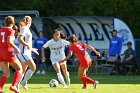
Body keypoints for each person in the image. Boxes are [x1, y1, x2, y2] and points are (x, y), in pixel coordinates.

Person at [0, 16, 22, 93]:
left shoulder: (1, 30)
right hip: (8, 52)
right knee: (19, 69)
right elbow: (9, 41)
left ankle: (0, 88)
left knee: (6, 73)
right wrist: (16, 48)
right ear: (12, 23)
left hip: (0, 53)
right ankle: (13, 86)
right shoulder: (11, 31)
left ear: (4, 23)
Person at [17, 16, 39, 90]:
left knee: (22, 70)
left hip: (26, 53)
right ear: (29, 21)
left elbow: (27, 43)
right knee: (33, 67)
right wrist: (27, 45)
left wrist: (32, 49)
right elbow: (20, 39)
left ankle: (16, 86)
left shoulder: (27, 29)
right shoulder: (24, 28)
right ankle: (23, 82)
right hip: (23, 53)